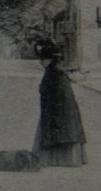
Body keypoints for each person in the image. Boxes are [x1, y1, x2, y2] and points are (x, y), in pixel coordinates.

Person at [32, 39, 87, 167]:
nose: (41, 62)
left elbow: (51, 90)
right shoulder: (55, 70)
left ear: (49, 59)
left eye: (43, 59)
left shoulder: (54, 72)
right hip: (59, 107)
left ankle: (57, 159)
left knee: (58, 129)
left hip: (57, 109)